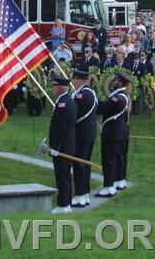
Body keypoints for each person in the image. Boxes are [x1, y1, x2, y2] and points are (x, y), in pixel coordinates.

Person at [97, 70, 131, 198]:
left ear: (121, 82)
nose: (113, 81)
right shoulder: (123, 95)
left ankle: (109, 186)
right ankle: (120, 180)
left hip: (112, 133)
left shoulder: (118, 98)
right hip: (120, 132)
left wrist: (95, 102)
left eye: (116, 80)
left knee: (109, 159)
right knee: (119, 157)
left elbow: (104, 108)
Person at [48, 75, 77, 213]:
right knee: (65, 174)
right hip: (67, 145)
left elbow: (61, 128)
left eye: (54, 86)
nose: (53, 89)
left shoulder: (62, 103)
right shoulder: (69, 101)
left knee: (62, 175)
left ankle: (63, 204)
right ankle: (67, 203)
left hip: (62, 146)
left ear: (59, 88)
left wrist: (56, 147)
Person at [70, 68, 98, 208]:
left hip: (81, 133)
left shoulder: (82, 95)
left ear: (79, 80)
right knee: (85, 163)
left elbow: (76, 113)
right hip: (88, 133)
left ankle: (80, 194)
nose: (72, 82)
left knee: (79, 164)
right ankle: (85, 194)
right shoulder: (90, 92)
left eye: (74, 80)